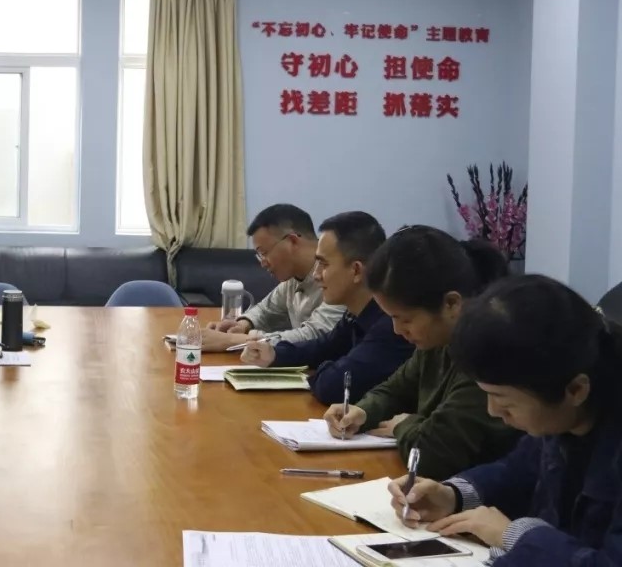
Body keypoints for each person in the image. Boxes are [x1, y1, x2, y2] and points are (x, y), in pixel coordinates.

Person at [388, 275, 622, 566]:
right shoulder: (561, 415)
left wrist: (516, 535)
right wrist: (452, 495)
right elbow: (520, 469)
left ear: (575, 389)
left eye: (504, 400)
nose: (493, 411)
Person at [323, 225, 519, 479]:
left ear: (451, 304)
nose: (397, 330)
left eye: (405, 319)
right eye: (391, 318)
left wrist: (404, 424)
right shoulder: (435, 341)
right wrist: (363, 411)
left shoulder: (486, 354)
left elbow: (432, 455)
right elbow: (394, 390)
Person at [241, 211, 413, 404]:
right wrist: (274, 354)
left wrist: (325, 369)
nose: (316, 274)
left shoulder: (391, 325)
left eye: (324, 264)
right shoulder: (355, 314)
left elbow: (332, 387)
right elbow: (323, 347)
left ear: (356, 270)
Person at [202, 204, 344, 352]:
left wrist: (233, 341)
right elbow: (265, 310)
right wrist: (242, 324)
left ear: (292, 241)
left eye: (264, 253)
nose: (263, 263)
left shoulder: (338, 276)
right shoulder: (293, 279)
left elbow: (316, 335)